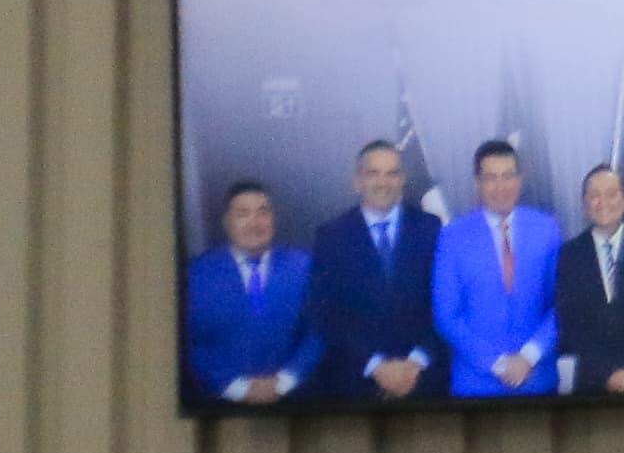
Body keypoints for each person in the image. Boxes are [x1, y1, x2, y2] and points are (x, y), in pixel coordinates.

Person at [305, 138, 445, 402]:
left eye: (392, 173)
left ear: (402, 179)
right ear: (357, 180)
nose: (383, 182)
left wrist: (415, 362)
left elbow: (444, 303)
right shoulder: (331, 236)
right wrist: (377, 367)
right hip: (357, 387)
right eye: (373, 173)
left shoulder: (430, 228)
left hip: (424, 383)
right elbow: (325, 314)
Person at [429, 139, 562, 398]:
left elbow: (562, 303)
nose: (501, 187)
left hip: (537, 380)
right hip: (476, 386)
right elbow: (446, 315)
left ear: (520, 180)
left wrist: (529, 356)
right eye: (490, 178)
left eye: (508, 176)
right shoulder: (453, 236)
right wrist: (498, 364)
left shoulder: (547, 229)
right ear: (477, 183)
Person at [182, 180, 317, 408]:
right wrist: (238, 389)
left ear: (273, 219)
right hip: (219, 404)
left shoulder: (305, 266)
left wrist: (285, 381)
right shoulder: (196, 274)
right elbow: (188, 343)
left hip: (298, 401)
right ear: (226, 222)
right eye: (243, 214)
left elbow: (319, 331)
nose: (254, 223)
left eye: (263, 213)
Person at [554, 163, 624, 395]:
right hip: (592, 383)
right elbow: (570, 322)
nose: (603, 202)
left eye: (611, 194)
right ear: (584, 204)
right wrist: (606, 372)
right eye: (595, 195)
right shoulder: (570, 255)